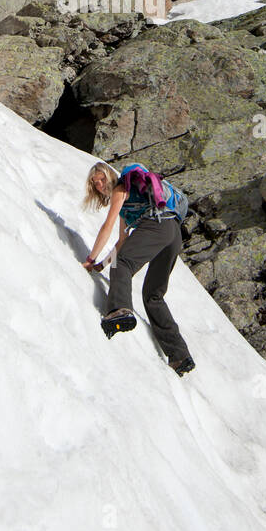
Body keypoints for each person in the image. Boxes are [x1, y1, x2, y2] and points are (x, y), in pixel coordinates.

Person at [82, 161, 195, 376]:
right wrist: (101, 265)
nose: (99, 185)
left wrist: (90, 258)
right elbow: (121, 242)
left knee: (122, 264)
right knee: (153, 295)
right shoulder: (129, 202)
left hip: (158, 224)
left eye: (101, 179)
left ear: (110, 176)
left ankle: (119, 311)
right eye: (94, 183)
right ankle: (180, 356)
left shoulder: (120, 189)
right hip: (173, 232)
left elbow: (107, 226)